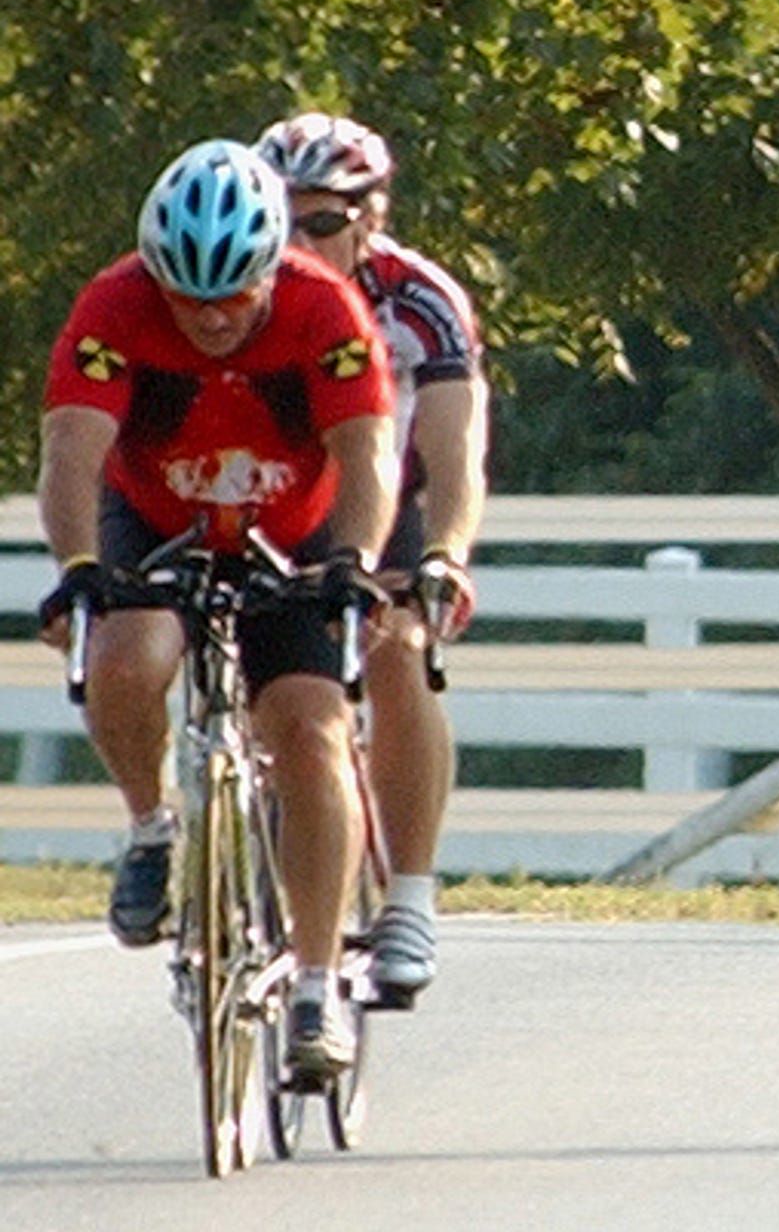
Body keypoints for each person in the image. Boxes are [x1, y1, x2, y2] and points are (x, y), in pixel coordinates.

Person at [37, 140, 398, 1079]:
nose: (209, 318)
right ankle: (153, 827)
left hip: (298, 530)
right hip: (156, 517)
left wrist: (353, 563)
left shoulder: (327, 305)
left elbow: (368, 457)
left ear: (272, 268)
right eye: (187, 298)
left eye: (234, 297)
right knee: (123, 659)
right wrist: (79, 564)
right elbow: (73, 453)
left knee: (311, 731)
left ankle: (316, 988)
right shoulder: (114, 306)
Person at [251, 113, 486, 999]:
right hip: (267, 496)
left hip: (382, 494)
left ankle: (411, 898)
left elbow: (456, 452)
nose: (296, 246)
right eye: (282, 221)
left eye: (320, 223)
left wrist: (447, 555)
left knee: (397, 650)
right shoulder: (237, 288)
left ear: (370, 218)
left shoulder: (418, 299)